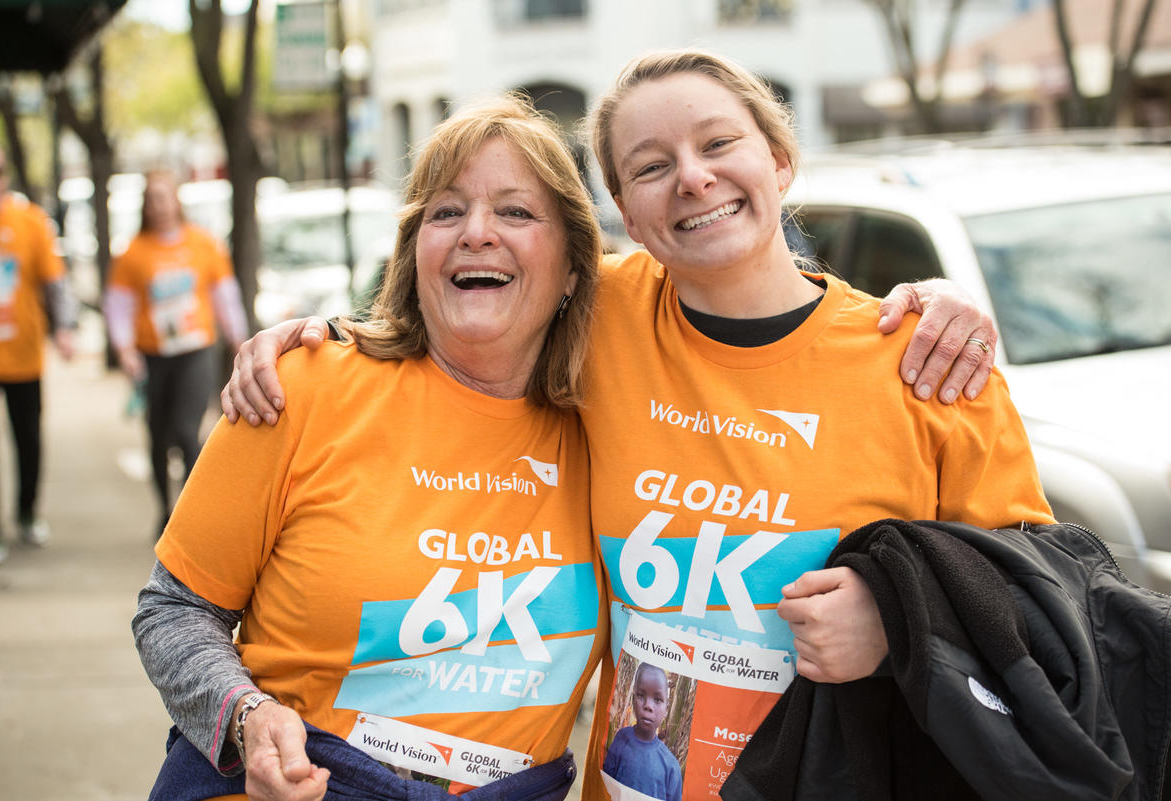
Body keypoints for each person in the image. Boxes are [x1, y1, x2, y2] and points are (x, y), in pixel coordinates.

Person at [219, 49, 1054, 801]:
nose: (692, 178)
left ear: (781, 157)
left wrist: (901, 621)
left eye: (719, 145)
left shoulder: (926, 365)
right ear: (623, 206)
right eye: (651, 165)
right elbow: (480, 286)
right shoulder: (602, 315)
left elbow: (1041, 613)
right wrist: (322, 338)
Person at [132, 95, 609, 801]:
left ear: (573, 265)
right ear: (415, 252)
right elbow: (172, 608)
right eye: (445, 212)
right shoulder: (300, 384)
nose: (477, 231)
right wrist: (247, 717)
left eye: (516, 211)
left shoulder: (610, 425)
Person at [103, 170, 249, 535]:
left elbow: (224, 296)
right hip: (153, 354)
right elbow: (118, 307)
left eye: (165, 197)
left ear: (177, 201)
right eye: (152, 199)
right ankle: (164, 509)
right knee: (157, 436)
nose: (159, 206)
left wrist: (238, 339)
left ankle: (187, 514)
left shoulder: (204, 244)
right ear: (145, 206)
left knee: (187, 431)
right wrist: (125, 350)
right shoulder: (132, 253)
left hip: (195, 349)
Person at [0, 141, 76, 569]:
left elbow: (54, 283)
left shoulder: (30, 222)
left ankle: (28, 511)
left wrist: (64, 329)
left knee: (28, 439)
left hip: (22, 354)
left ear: (6, 175)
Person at [602, 662, 682, 801]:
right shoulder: (621, 739)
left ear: (666, 709)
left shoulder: (671, 766)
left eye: (657, 700)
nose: (648, 706)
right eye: (641, 695)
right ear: (633, 700)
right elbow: (606, 785)